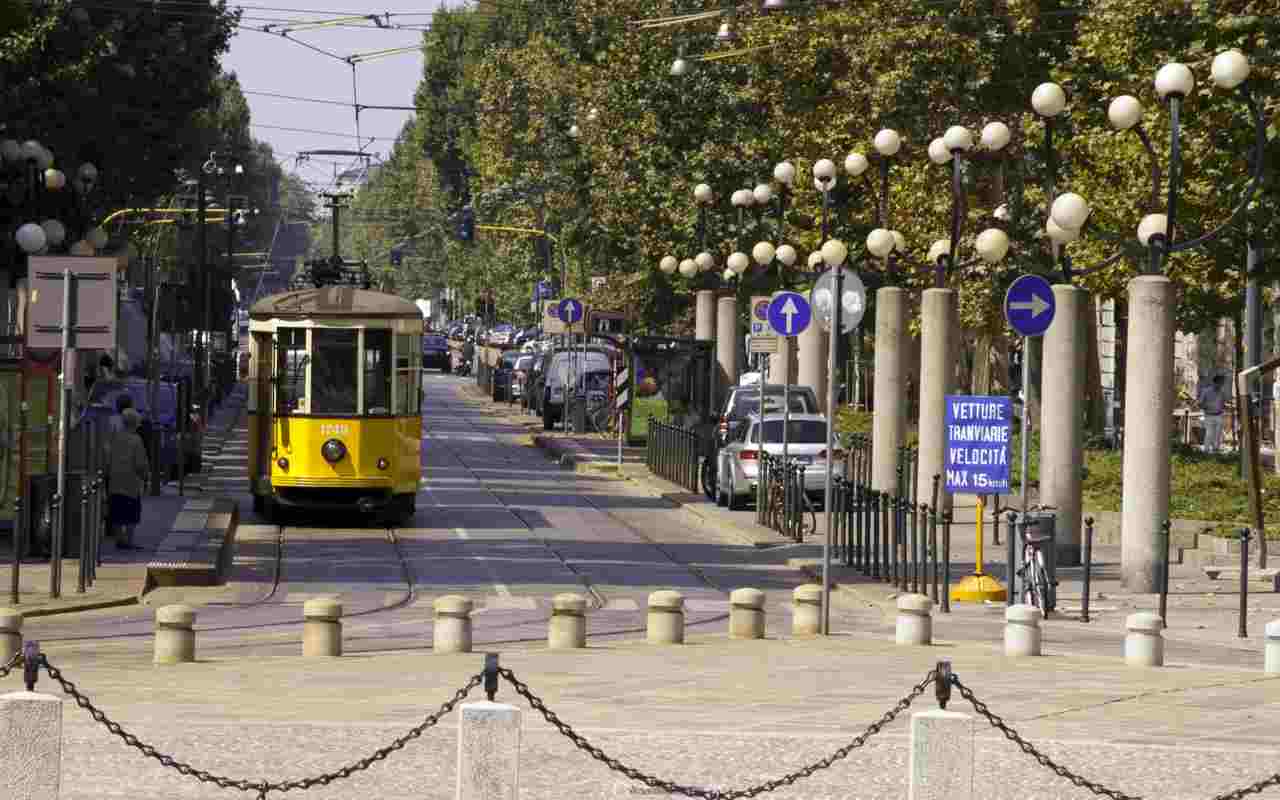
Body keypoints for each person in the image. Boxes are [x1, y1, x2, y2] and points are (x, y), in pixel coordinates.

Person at [105, 408, 149, 550]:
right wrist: (145, 476)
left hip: (115, 480)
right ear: (135, 423)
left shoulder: (114, 437)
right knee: (131, 513)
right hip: (130, 482)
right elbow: (140, 463)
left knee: (117, 512)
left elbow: (107, 456)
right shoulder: (136, 440)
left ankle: (119, 538)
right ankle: (128, 540)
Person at [1198, 374, 1227, 453]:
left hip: (1219, 414)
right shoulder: (1206, 391)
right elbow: (1200, 403)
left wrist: (1224, 407)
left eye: (1222, 383)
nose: (1221, 385)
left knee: (1218, 433)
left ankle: (1216, 449)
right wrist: (1205, 406)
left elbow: (1223, 403)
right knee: (1209, 433)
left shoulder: (1222, 392)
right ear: (1215, 382)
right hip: (1209, 415)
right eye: (1220, 383)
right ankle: (1206, 450)